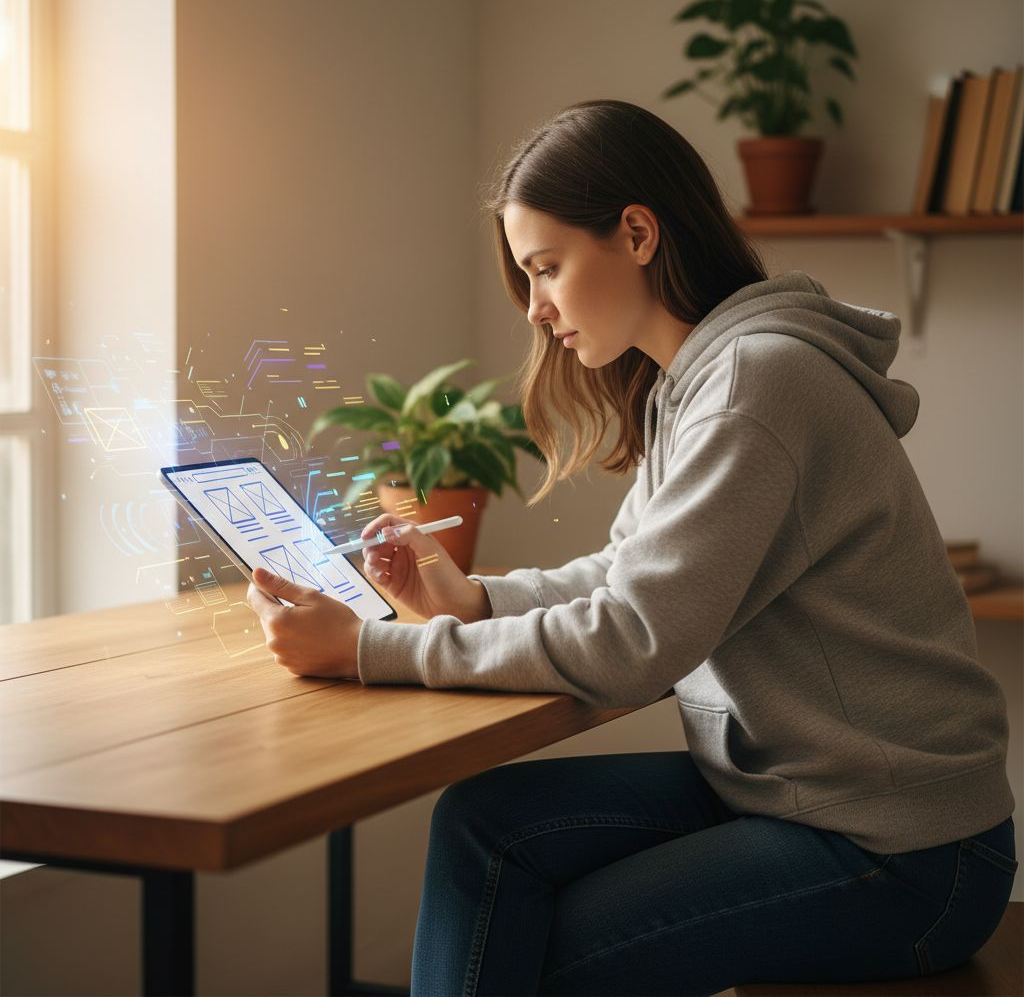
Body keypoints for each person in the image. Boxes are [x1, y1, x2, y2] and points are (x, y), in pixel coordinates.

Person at [247, 99, 1017, 996]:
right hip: (786, 787)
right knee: (481, 823)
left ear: (639, 232)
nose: (536, 309)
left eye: (547, 269)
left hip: (902, 849)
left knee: (535, 953)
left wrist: (369, 650)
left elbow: (632, 643)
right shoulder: (691, 383)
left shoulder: (755, 385)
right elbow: (626, 575)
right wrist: (472, 599)